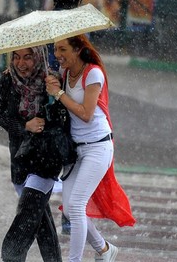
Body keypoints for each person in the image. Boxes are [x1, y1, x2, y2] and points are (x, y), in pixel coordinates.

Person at [45, 35, 136, 262]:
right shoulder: (66, 74)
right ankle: (104, 249)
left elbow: (86, 114)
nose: (57, 55)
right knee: (69, 208)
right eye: (55, 49)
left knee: (76, 206)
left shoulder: (93, 73)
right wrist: (56, 86)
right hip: (77, 151)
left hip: (98, 147)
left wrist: (59, 94)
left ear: (78, 49)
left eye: (62, 49)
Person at [0, 45, 62, 262]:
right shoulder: (7, 80)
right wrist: (25, 126)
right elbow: (1, 115)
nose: (21, 63)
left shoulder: (51, 81)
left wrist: (55, 95)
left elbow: (62, 119)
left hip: (46, 157)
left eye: (28, 58)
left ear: (39, 57)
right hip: (20, 157)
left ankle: (11, 255)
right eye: (16, 57)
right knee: (40, 218)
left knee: (29, 210)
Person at [48, 0, 84, 236]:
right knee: (72, 156)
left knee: (56, 152)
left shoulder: (48, 24)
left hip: (52, 94)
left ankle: (44, 208)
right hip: (71, 94)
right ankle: (70, 216)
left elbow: (52, 58)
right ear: (78, 2)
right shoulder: (79, 26)